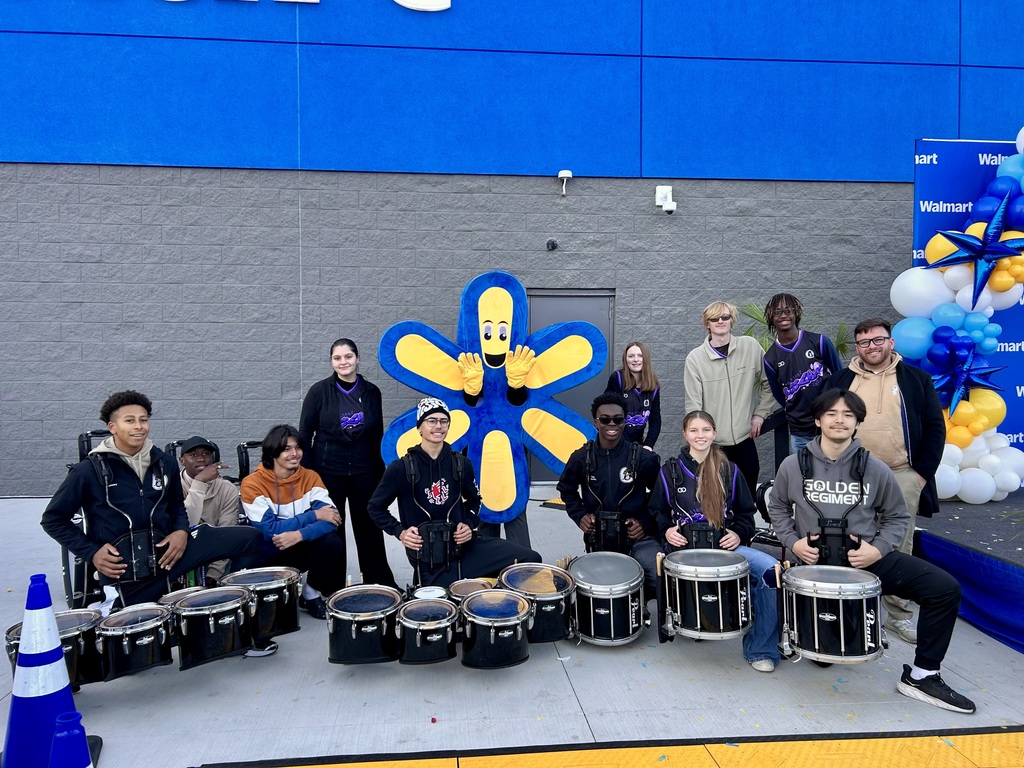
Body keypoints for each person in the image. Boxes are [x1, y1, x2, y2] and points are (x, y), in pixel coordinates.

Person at [768, 389, 975, 714]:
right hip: (813, 567)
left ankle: (922, 676)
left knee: (944, 589)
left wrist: (876, 550)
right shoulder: (793, 465)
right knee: (822, 652)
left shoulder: (875, 468)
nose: (839, 420)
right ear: (818, 420)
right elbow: (778, 507)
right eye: (832, 414)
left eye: (847, 415)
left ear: (857, 423)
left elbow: (897, 517)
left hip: (863, 560)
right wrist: (794, 543)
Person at [41, 391, 263, 610]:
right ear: (113, 427)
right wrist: (92, 552)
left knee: (249, 538)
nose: (139, 426)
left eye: (143, 420)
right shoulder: (88, 470)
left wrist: (181, 531)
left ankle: (227, 610)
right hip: (125, 571)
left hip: (169, 556)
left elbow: (176, 505)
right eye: (129, 421)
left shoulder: (165, 462)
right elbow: (53, 520)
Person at [827, 317, 945, 645]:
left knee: (899, 542)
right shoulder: (841, 380)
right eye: (864, 342)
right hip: (853, 474)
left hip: (901, 474)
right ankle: (857, 606)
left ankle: (898, 614)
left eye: (878, 340)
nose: (872, 347)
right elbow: (823, 422)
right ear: (858, 347)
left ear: (890, 342)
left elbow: (935, 426)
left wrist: (921, 474)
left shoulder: (916, 379)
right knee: (852, 539)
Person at [649, 411, 781, 672]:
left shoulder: (729, 469)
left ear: (714, 433)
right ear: (685, 435)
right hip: (684, 550)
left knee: (770, 572)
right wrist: (666, 531)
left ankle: (760, 649)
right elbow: (655, 510)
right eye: (695, 430)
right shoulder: (670, 470)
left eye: (706, 430)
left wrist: (739, 534)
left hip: (723, 548)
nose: (701, 435)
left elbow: (745, 513)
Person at [367, 397, 541, 589]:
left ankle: (503, 606)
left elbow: (475, 501)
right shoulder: (401, 468)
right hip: (429, 556)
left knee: (529, 559)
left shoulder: (460, 464)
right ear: (419, 427)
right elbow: (375, 507)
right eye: (431, 421)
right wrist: (400, 532)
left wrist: (468, 524)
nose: (438, 426)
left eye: (444, 421)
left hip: (463, 547)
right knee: (438, 606)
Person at [299, 338, 398, 590]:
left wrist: (380, 472)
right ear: (331, 361)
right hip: (328, 471)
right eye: (337, 358)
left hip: (364, 471)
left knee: (369, 529)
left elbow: (377, 434)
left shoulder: (372, 392)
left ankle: (380, 582)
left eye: (348, 356)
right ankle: (328, 586)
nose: (343, 362)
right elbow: (304, 434)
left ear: (358, 358)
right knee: (331, 528)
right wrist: (310, 475)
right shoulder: (319, 391)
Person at [557, 393, 661, 602]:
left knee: (658, 576)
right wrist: (580, 516)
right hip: (601, 539)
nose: (611, 424)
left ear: (624, 422)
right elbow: (567, 490)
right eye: (605, 419)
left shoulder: (643, 458)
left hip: (637, 539)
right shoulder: (581, 458)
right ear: (596, 422)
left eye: (618, 419)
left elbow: (661, 497)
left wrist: (645, 523)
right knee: (598, 591)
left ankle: (641, 604)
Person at [240, 425, 346, 620]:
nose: (295, 454)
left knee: (332, 542)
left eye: (298, 448)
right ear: (273, 452)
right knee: (274, 619)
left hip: (297, 545)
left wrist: (299, 535)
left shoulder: (310, 477)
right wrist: (314, 516)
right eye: (287, 449)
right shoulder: (252, 483)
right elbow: (269, 530)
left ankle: (311, 593)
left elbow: (332, 519)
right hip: (267, 557)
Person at [684, 300, 775, 497]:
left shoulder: (750, 347)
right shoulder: (695, 358)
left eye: (725, 317)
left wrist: (760, 414)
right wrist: (700, 440)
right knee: (715, 497)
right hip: (713, 443)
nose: (720, 321)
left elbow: (770, 383)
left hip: (744, 439)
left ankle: (744, 529)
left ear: (732, 321)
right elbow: (694, 406)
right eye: (714, 318)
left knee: (747, 492)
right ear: (707, 323)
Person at [761, 293, 842, 454]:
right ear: (771, 317)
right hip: (800, 432)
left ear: (796, 313)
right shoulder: (770, 358)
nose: (783, 315)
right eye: (777, 312)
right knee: (804, 477)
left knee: (835, 475)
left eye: (788, 310)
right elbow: (780, 395)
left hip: (831, 425)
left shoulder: (819, 342)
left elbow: (839, 377)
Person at [178, 435, 241, 586]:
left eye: (206, 454)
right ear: (182, 461)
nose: (201, 459)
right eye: (193, 455)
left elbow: (226, 534)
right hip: (180, 554)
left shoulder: (227, 489)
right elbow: (187, 522)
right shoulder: (172, 487)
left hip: (215, 555)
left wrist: (213, 576)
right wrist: (199, 482)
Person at [604, 341, 662, 451]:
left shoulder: (653, 386)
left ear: (646, 359)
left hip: (637, 444)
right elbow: (605, 412)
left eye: (640, 356)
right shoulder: (617, 379)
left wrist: (648, 445)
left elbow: (655, 419)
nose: (636, 359)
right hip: (615, 444)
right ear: (626, 360)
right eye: (631, 356)